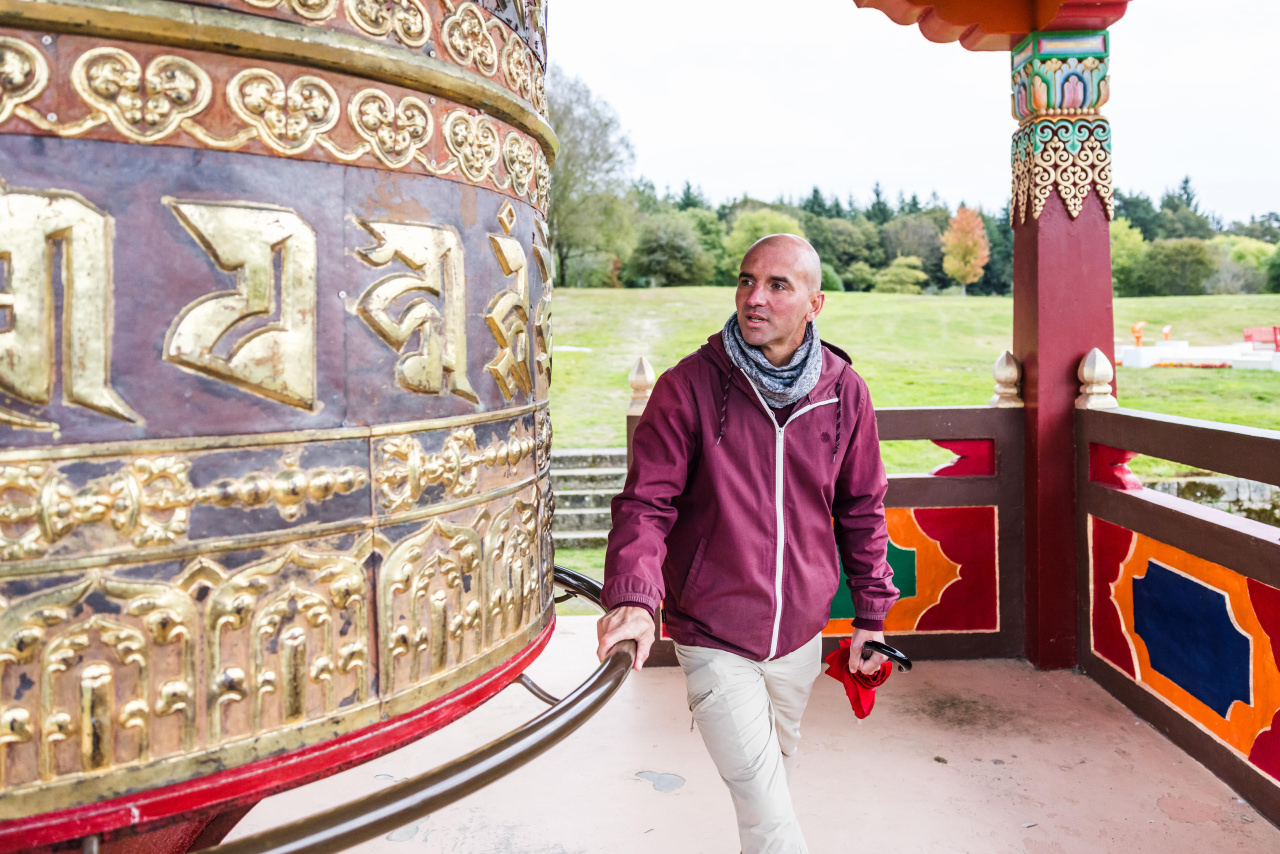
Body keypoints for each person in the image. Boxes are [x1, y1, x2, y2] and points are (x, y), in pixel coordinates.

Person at [595, 233, 899, 853]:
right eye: (745, 280)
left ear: (815, 304)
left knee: (772, 787)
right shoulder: (687, 388)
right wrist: (632, 598)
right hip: (714, 633)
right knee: (767, 810)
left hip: (801, 637)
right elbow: (645, 505)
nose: (753, 298)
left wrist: (871, 615)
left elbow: (861, 507)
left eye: (777, 285)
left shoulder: (845, 392)